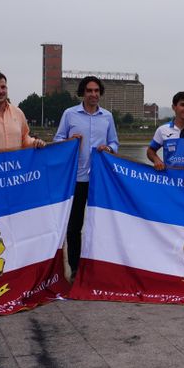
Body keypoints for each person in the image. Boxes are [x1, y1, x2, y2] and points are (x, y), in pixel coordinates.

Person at [54, 76, 119, 278]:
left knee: (100, 225)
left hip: (99, 181)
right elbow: (57, 140)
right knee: (74, 227)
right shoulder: (70, 114)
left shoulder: (107, 117)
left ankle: (98, 267)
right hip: (76, 179)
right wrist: (69, 141)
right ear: (83, 92)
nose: (93, 94)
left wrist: (108, 148)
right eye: (89, 91)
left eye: (96, 91)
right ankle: (75, 268)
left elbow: (115, 144)